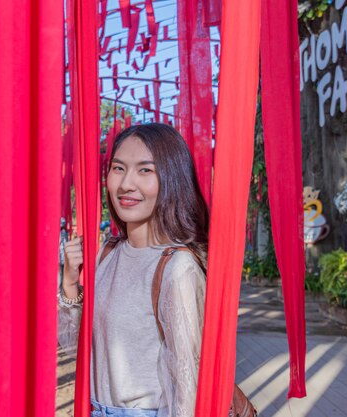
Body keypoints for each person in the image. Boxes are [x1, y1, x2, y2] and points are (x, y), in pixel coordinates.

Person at [58, 123, 209, 417]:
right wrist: (70, 286)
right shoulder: (107, 253)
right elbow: (79, 348)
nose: (127, 184)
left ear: (171, 179)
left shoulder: (177, 267)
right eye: (118, 168)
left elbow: (187, 383)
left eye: (145, 170)